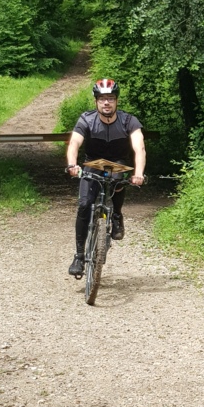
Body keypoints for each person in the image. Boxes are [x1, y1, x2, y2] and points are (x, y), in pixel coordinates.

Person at [67, 78, 146, 277]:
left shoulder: (129, 121)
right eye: (102, 99)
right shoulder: (86, 120)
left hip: (117, 163)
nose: (106, 103)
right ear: (96, 101)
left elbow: (139, 148)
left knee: (118, 181)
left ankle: (117, 214)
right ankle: (79, 256)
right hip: (93, 163)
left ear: (116, 100)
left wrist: (138, 173)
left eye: (110, 98)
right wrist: (72, 164)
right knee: (84, 205)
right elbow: (74, 143)